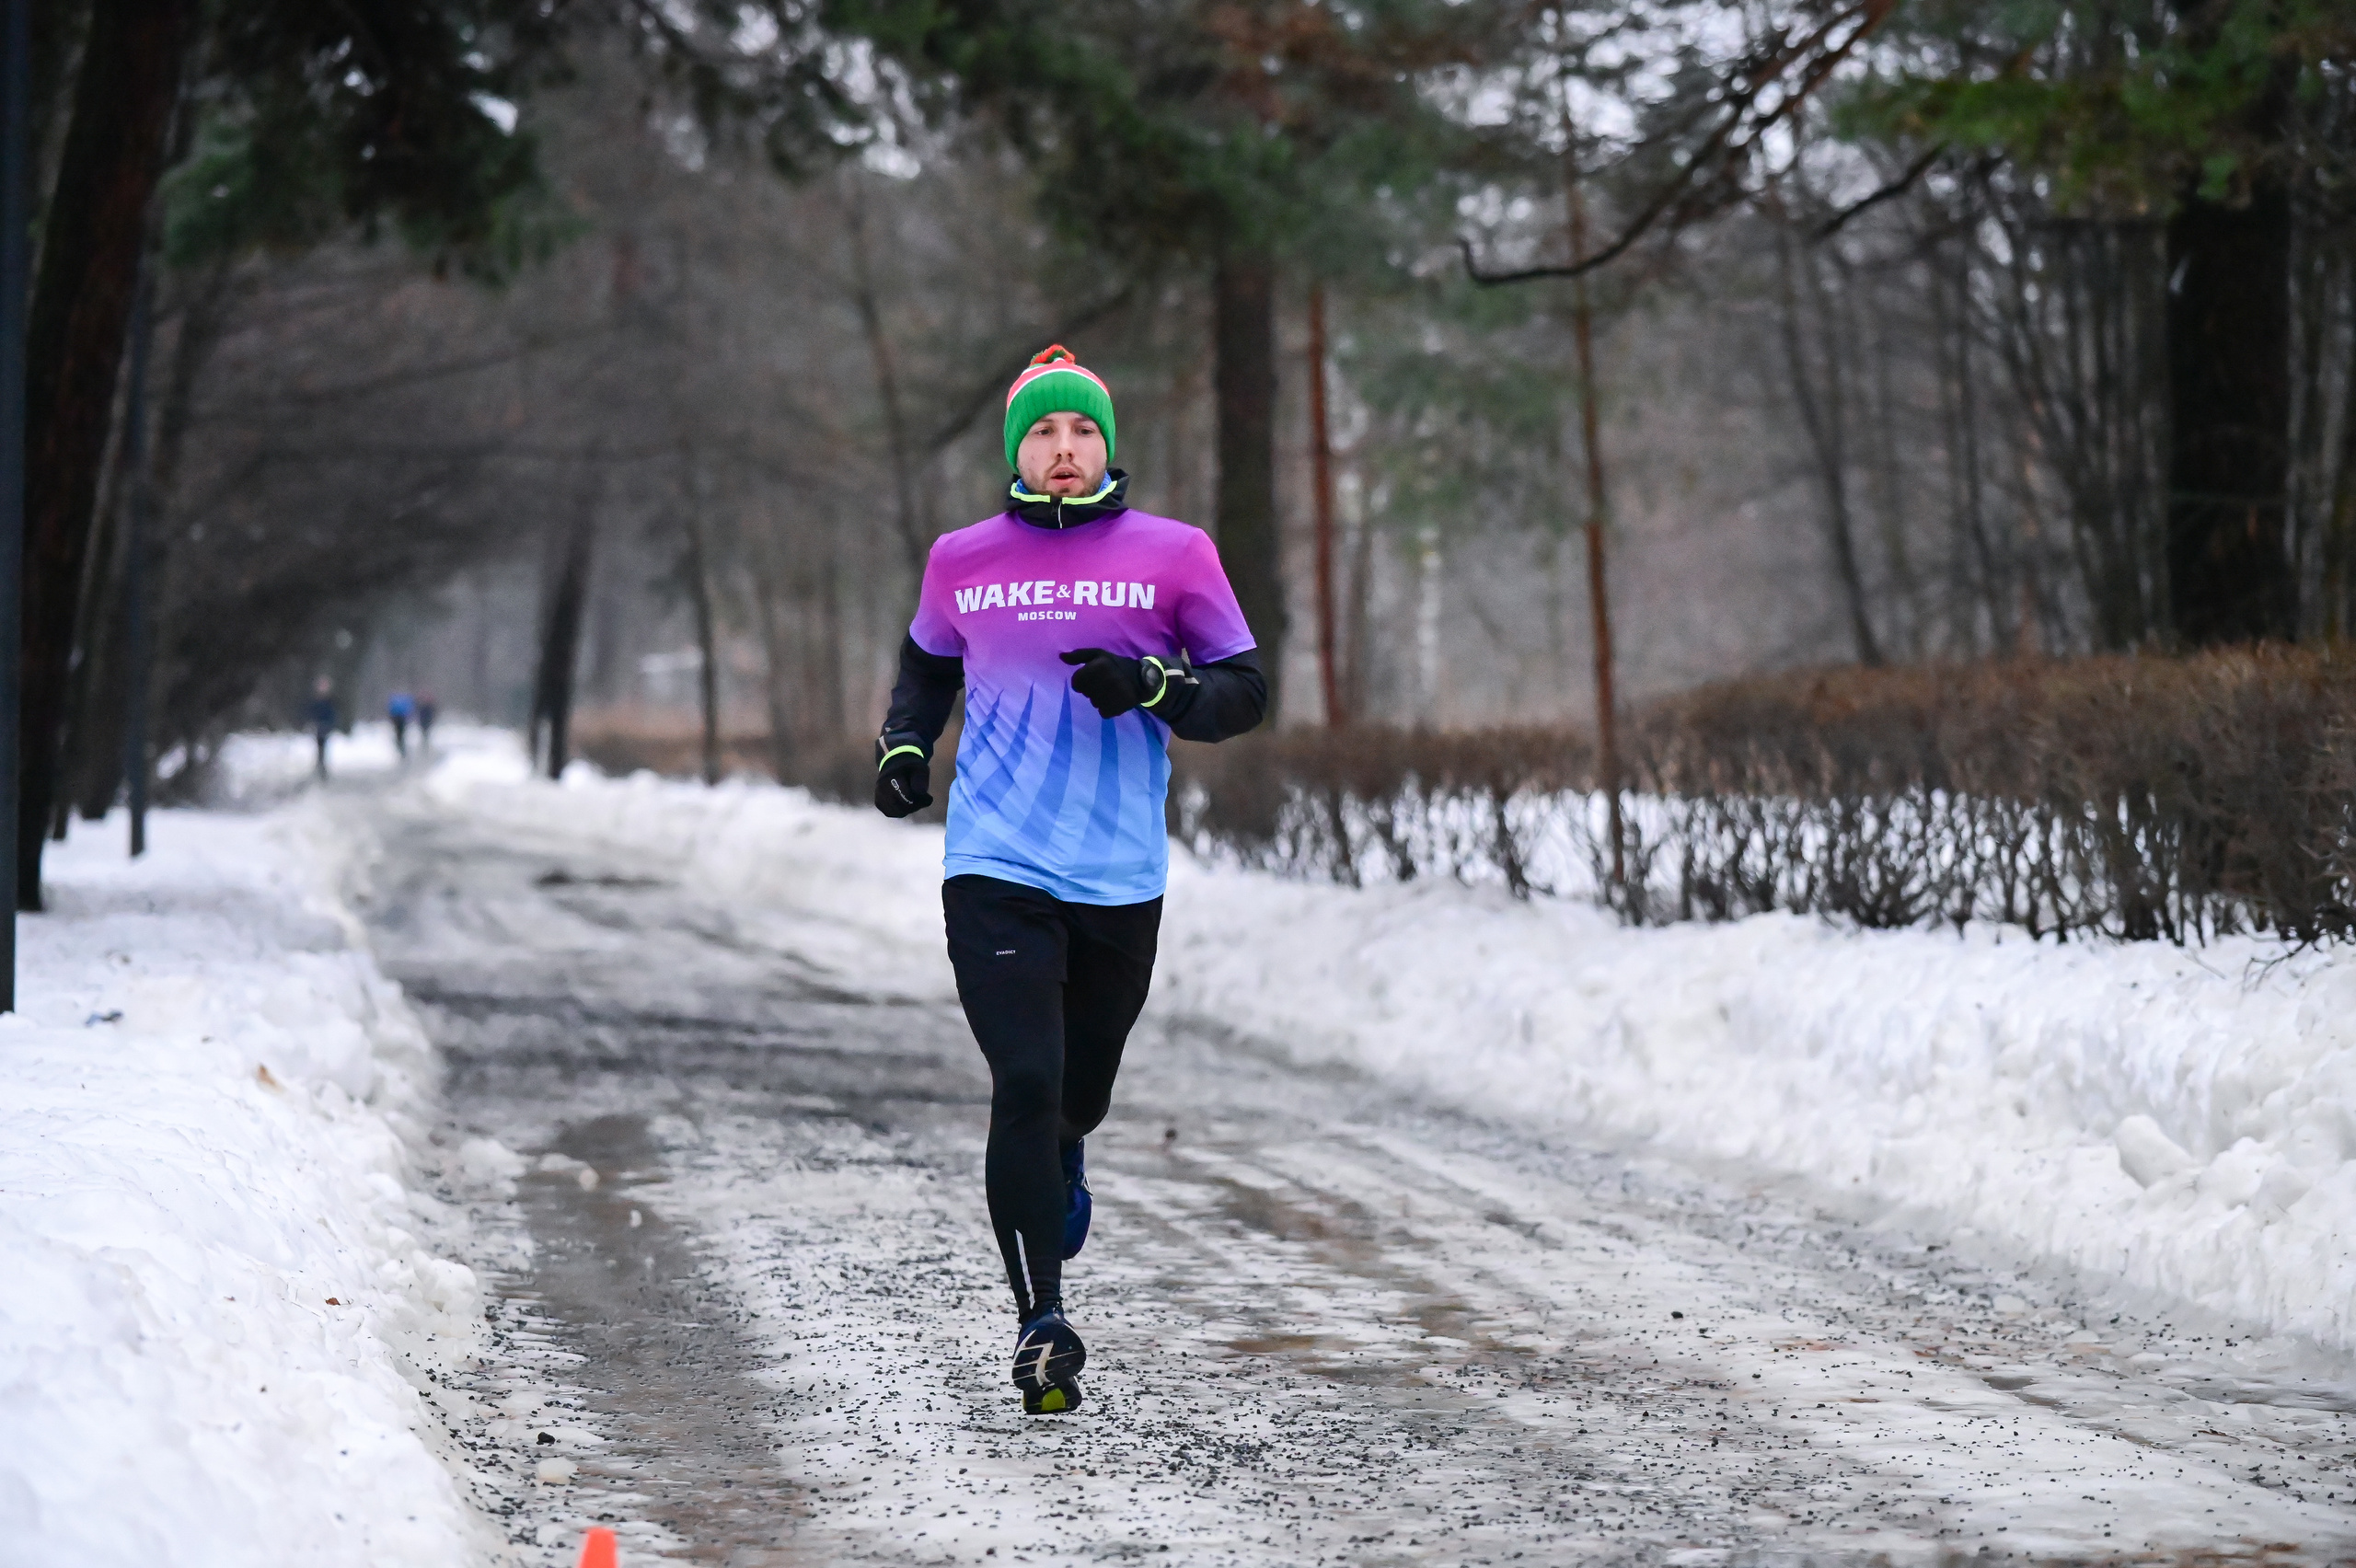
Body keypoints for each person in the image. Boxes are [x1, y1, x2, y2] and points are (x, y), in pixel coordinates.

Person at [874, 345, 1266, 1415]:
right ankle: (1040, 1320)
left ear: (1105, 445)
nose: (1062, 447)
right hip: (994, 863)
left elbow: (1243, 692)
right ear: (1018, 450)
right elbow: (925, 666)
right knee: (1027, 1081)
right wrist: (904, 746)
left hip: (1118, 875)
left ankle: (1067, 1157)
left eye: (1081, 430)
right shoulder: (962, 558)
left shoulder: (1175, 555)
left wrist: (1156, 683)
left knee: (1078, 1093)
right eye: (1042, 432)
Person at [306, 677, 337, 780]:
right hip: (318, 727)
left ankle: (322, 769)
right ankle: (320, 768)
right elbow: (312, 713)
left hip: (325, 727)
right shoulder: (316, 701)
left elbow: (331, 714)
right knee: (319, 749)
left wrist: (329, 724)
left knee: (323, 749)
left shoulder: (329, 701)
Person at [387, 689, 416, 758]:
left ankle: (401, 748)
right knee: (400, 735)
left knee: (400, 735)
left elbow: (390, 709)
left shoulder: (395, 700)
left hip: (398, 720)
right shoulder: (403, 700)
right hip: (400, 719)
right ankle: (402, 748)